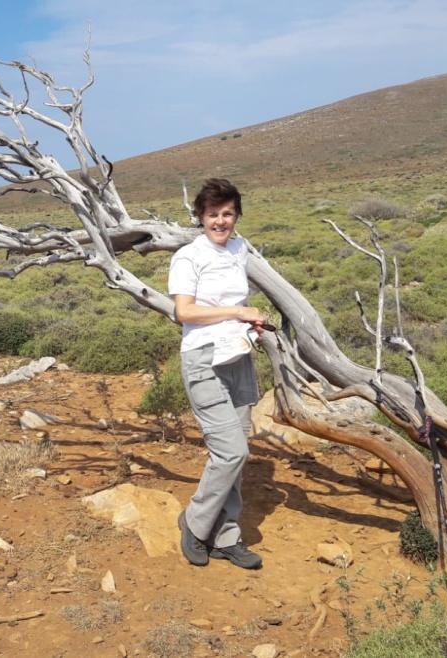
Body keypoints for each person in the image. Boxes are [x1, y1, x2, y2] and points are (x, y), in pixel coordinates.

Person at [167, 178, 265, 569]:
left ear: (236, 215)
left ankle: (225, 535)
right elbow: (184, 312)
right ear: (200, 217)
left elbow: (235, 298)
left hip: (237, 357)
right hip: (203, 359)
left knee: (237, 454)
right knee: (230, 451)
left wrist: (250, 320)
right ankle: (195, 522)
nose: (220, 221)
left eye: (227, 214)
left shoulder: (240, 249)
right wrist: (237, 312)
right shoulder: (189, 256)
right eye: (212, 214)